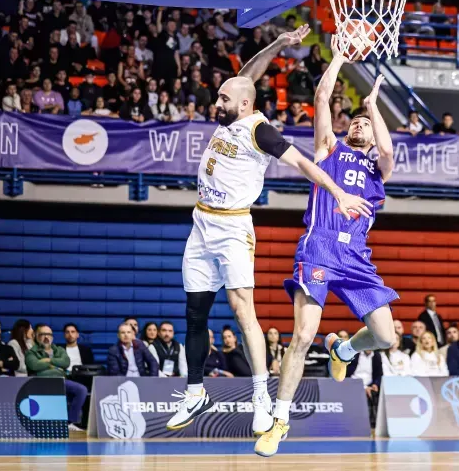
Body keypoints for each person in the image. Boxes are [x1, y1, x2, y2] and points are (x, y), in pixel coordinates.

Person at [168, 26, 370, 434]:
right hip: (201, 222)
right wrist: (278, 44)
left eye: (223, 98)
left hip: (232, 227)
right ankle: (195, 393)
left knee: (244, 312)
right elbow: (245, 76)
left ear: (243, 105)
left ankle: (261, 396)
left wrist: (337, 193)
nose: (216, 100)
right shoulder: (232, 112)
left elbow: (303, 164)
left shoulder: (260, 130)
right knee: (195, 313)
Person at [254, 44, 393, 456]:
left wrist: (373, 104)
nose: (359, 125)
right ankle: (279, 422)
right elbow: (320, 98)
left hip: (357, 259)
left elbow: (387, 150)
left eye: (365, 123)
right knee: (301, 335)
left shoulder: (378, 170)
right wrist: (338, 58)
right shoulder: (328, 149)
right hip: (318, 248)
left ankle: (344, 348)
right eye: (356, 120)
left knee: (385, 336)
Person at [25, 324, 88, 431]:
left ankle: (70, 422)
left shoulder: (58, 350)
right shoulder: (31, 352)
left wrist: (48, 361)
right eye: (43, 334)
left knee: (82, 390)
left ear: (52, 337)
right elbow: (34, 365)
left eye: (49, 334)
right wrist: (56, 366)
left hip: (61, 380)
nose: (46, 337)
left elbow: (66, 362)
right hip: (42, 381)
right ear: (36, 336)